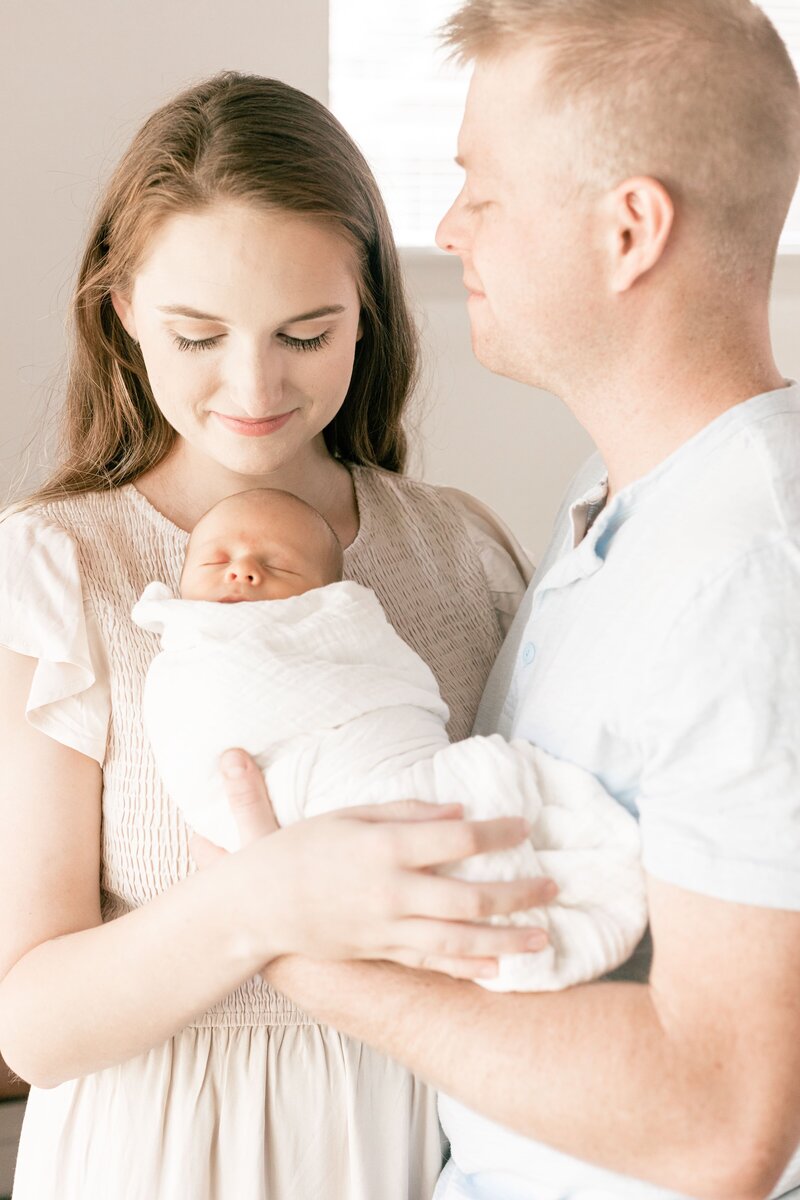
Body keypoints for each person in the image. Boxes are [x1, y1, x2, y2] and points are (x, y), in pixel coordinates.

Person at [212, 3, 800, 1198]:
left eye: (481, 190)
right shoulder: (620, 496)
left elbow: (719, 1119)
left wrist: (324, 970)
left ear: (627, 229)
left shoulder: (750, 572)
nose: (446, 227)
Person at [0, 71, 559, 1200]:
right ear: (120, 310)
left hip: (425, 1140)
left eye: (306, 333)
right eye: (196, 335)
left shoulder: (461, 552)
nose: (252, 385)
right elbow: (33, 1026)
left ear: (369, 310)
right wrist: (261, 904)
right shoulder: (61, 567)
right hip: (158, 1157)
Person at [132, 486, 645, 991]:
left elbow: (390, 696)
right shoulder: (187, 654)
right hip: (310, 804)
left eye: (278, 565)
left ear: (326, 594)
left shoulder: (398, 585)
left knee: (480, 816)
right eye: (217, 559)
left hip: (392, 767)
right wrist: (269, 907)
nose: (243, 571)